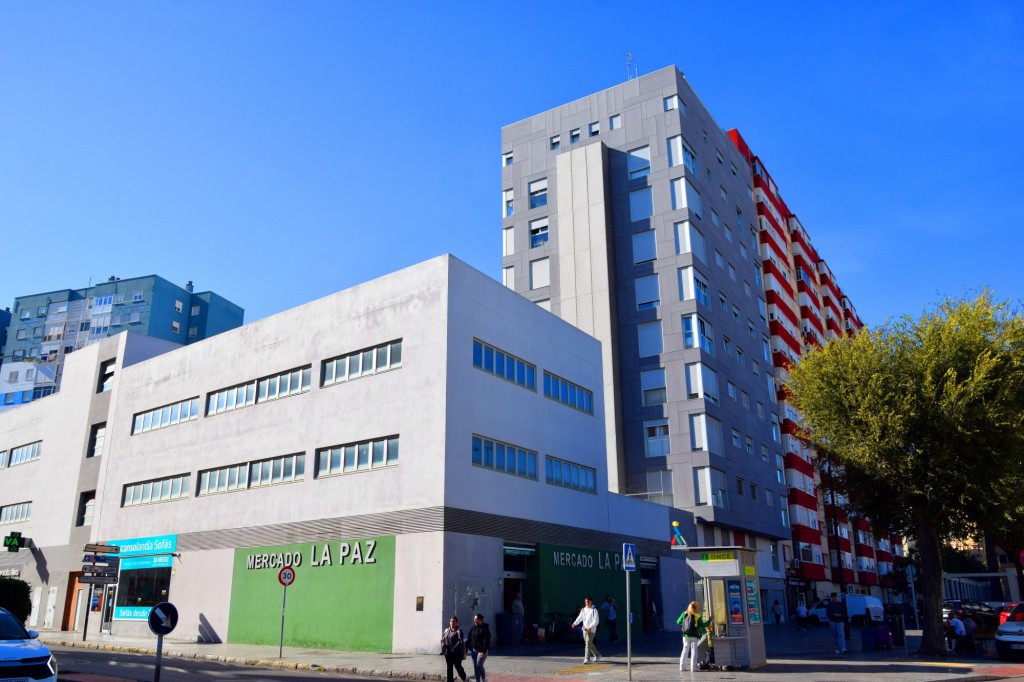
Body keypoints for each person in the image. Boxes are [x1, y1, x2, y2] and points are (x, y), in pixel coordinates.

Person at [676, 600, 711, 673]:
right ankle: (693, 668)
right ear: (695, 608)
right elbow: (702, 625)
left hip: (685, 635)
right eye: (698, 607)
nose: (698, 608)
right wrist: (709, 621)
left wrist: (684, 625)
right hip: (694, 636)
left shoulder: (684, 613)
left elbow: (678, 622)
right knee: (694, 651)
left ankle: (682, 668)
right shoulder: (697, 616)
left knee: (685, 651)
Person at [571, 596, 601, 664]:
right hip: (584, 629)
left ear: (591, 602)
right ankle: (597, 655)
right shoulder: (583, 610)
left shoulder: (594, 610)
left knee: (588, 643)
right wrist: (574, 623)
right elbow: (580, 618)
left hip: (591, 630)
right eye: (586, 602)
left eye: (588, 602)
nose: (587, 603)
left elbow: (596, 621)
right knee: (589, 643)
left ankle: (587, 659)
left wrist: (591, 627)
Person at [441, 616, 468, 682]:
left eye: (454, 621)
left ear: (456, 622)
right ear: (449, 622)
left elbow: (460, 641)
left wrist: (454, 648)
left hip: (457, 653)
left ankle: (464, 678)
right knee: (449, 668)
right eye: (451, 621)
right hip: (448, 653)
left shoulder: (459, 631)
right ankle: (450, 680)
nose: (452, 623)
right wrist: (443, 646)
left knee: (458, 666)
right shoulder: (446, 630)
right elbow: (442, 639)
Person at [467, 613, 491, 682]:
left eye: (477, 619)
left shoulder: (485, 628)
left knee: (479, 665)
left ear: (481, 620)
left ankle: (484, 679)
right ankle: (478, 680)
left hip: (481, 651)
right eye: (474, 619)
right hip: (474, 650)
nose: (475, 621)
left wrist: (483, 651)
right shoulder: (473, 627)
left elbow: (486, 641)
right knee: (475, 667)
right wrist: (467, 647)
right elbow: (469, 637)